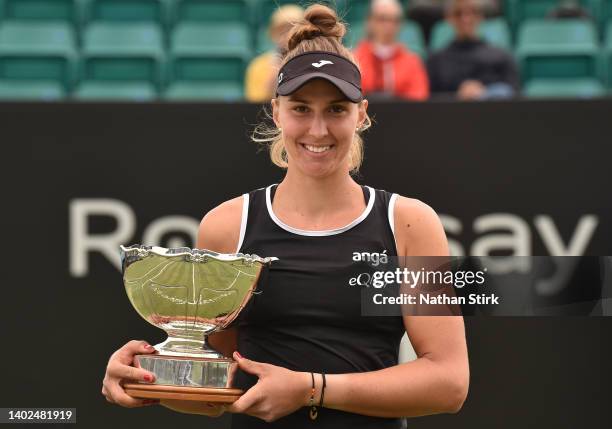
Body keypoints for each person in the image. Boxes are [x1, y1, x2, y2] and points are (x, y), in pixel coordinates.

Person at [102, 3, 469, 427]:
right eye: (300, 108)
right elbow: (213, 392)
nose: (317, 130)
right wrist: (145, 380)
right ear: (275, 111)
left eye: (336, 109)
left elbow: (449, 381)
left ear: (362, 114)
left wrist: (312, 388)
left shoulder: (407, 224)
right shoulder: (227, 226)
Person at [426, 0, 519, 100]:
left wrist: (486, 93)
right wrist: (458, 96)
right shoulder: (436, 61)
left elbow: (515, 95)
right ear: (449, 18)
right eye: (458, 13)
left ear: (481, 17)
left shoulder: (502, 57)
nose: (465, 19)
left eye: (472, 12)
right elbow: (430, 100)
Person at [353, 0, 429, 101]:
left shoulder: (412, 62)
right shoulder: (355, 60)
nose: (389, 26)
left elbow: (419, 99)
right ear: (370, 21)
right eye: (382, 19)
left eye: (395, 20)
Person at [245, 5, 305, 103]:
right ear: (273, 34)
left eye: (294, 29)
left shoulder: (316, 62)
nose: (288, 35)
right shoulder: (258, 66)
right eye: (282, 30)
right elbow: (255, 105)